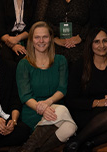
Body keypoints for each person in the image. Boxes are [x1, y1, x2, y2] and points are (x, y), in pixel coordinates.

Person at [14, 22, 78, 152]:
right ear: (31, 40)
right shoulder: (24, 64)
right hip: (33, 111)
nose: (41, 41)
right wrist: (41, 109)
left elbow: (62, 89)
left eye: (45, 37)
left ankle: (27, 149)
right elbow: (25, 96)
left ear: (50, 38)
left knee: (70, 127)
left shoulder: (60, 60)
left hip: (54, 108)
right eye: (37, 37)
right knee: (67, 120)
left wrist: (47, 104)